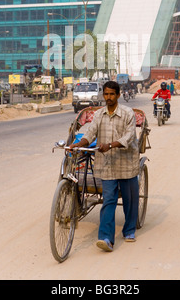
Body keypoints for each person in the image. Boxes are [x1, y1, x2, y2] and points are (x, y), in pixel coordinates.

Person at [69, 80, 139, 252]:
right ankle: (106, 237)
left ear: (118, 95)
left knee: (130, 199)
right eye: (106, 94)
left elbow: (129, 136)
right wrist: (80, 143)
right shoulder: (99, 114)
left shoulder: (128, 113)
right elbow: (91, 133)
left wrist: (111, 145)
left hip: (126, 162)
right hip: (107, 164)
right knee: (109, 200)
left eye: (111, 94)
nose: (108, 97)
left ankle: (129, 230)